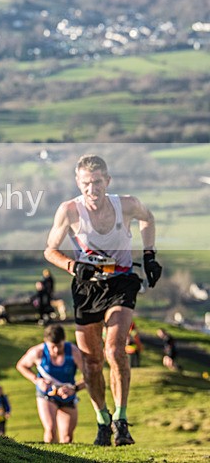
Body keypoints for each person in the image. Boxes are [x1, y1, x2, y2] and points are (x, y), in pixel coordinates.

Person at [44, 154, 163, 446]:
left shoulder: (127, 204)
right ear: (78, 182)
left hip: (121, 282)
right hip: (87, 288)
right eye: (86, 183)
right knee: (92, 361)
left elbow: (148, 218)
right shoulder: (69, 211)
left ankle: (121, 420)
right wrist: (74, 266)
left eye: (97, 182)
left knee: (115, 349)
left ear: (107, 181)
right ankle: (102, 419)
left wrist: (149, 255)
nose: (91, 189)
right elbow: (50, 250)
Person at [16, 324, 86, 444]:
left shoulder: (73, 352)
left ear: (64, 340)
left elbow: (90, 377)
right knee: (50, 431)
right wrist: (36, 380)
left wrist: (74, 389)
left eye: (59, 346)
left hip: (68, 395)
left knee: (67, 438)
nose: (56, 350)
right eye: (52, 346)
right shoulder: (37, 352)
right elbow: (21, 365)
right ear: (45, 342)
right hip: (46, 394)